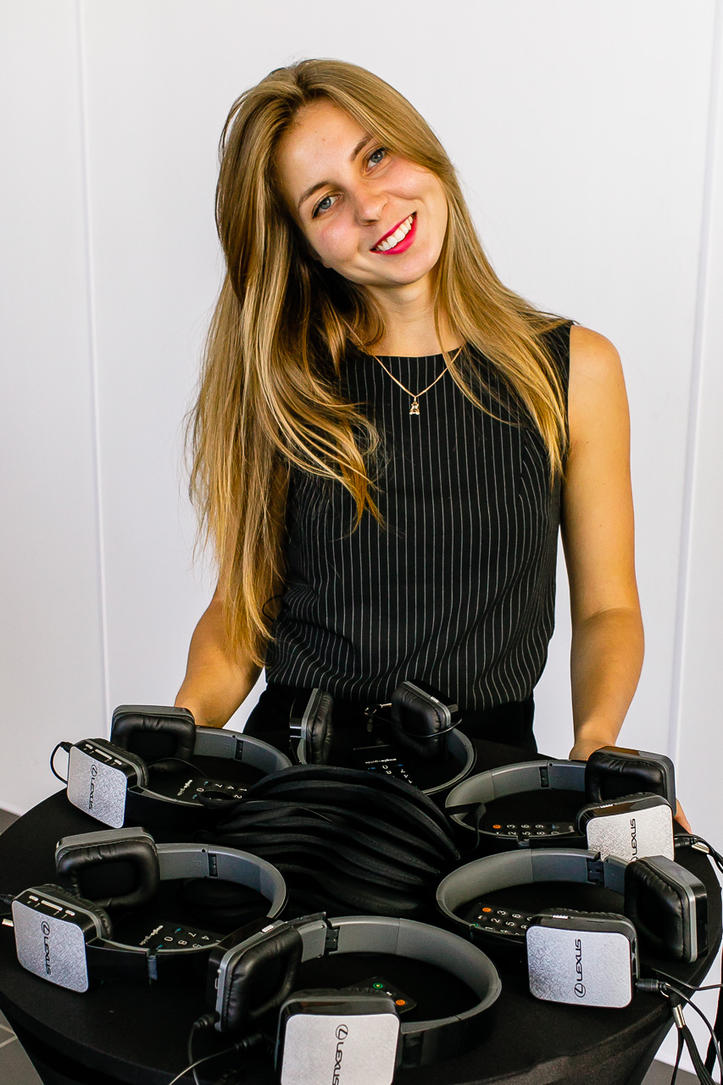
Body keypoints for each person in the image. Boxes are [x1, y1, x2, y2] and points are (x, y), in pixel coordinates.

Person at [175, 58, 644, 767]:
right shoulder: (285, 383)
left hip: (483, 774)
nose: (370, 206)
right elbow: (239, 615)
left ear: (422, 149)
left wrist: (596, 742)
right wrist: (174, 728)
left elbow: (608, 609)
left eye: (375, 156)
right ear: (305, 247)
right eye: (324, 203)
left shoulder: (576, 369)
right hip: (302, 773)